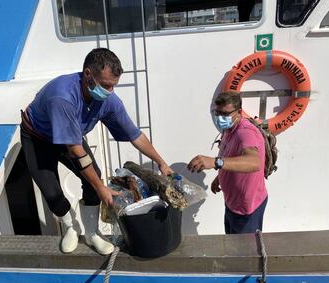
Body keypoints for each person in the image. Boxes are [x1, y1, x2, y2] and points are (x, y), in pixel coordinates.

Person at [20, 48, 173, 255]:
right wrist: (101, 187)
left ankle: (92, 233)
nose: (110, 91)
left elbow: (135, 135)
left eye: (114, 86)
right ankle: (70, 227)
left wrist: (161, 162)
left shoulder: (109, 101)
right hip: (37, 137)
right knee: (52, 192)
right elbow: (75, 150)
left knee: (94, 180)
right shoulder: (62, 97)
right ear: (88, 75)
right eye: (106, 85)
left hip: (71, 135)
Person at [187, 91, 267, 234]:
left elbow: (255, 162)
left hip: (247, 208)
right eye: (217, 113)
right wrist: (220, 178)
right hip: (232, 203)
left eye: (225, 114)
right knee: (232, 244)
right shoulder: (228, 129)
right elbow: (231, 156)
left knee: (244, 252)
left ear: (239, 112)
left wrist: (215, 162)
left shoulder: (245, 132)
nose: (220, 117)